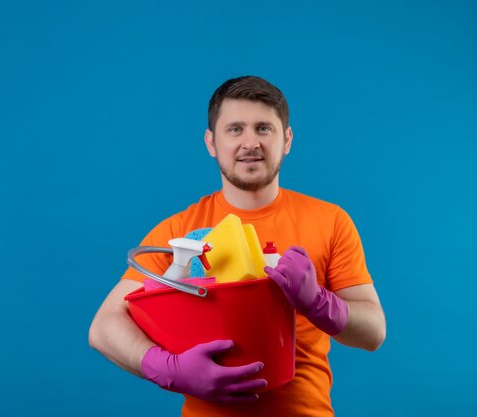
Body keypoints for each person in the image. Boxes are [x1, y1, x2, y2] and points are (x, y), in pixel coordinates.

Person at [89, 76, 386, 417]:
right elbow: (104, 326)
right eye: (234, 129)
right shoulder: (179, 233)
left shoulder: (331, 221)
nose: (250, 143)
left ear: (286, 139)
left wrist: (318, 301)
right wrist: (168, 368)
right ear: (211, 142)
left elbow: (373, 332)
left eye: (264, 128)